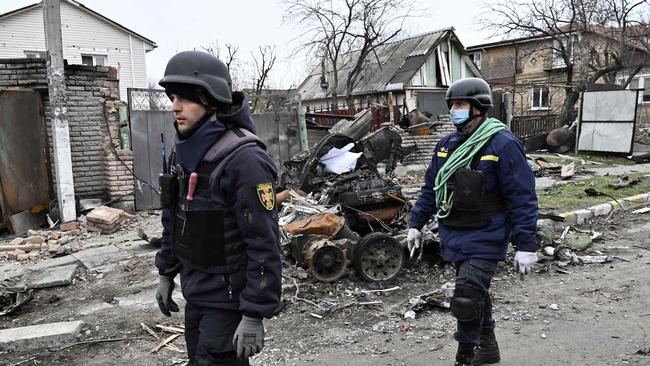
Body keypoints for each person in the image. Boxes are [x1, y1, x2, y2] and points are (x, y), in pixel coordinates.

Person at [154, 50, 282, 366]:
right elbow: (173, 217)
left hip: (227, 302)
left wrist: (254, 313)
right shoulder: (182, 152)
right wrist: (166, 271)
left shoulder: (244, 159)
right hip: (197, 293)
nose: (175, 107)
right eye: (172, 97)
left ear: (212, 100)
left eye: (186, 98)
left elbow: (263, 243)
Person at [407, 78, 539, 366]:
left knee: (466, 296)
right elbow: (432, 187)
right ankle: (488, 348)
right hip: (453, 233)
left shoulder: (503, 143)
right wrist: (416, 223)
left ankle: (464, 356)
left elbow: (522, 196)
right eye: (452, 104)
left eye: (462, 104)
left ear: (479, 108)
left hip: (487, 234)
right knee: (476, 293)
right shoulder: (446, 144)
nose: (455, 109)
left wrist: (526, 244)